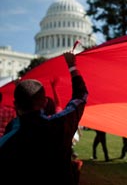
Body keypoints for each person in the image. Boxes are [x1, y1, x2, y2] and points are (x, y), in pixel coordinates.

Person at [0, 52, 88, 185]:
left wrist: (21, 91)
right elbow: (80, 96)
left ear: (15, 105)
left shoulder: (8, 138)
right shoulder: (59, 126)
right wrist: (72, 66)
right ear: (44, 102)